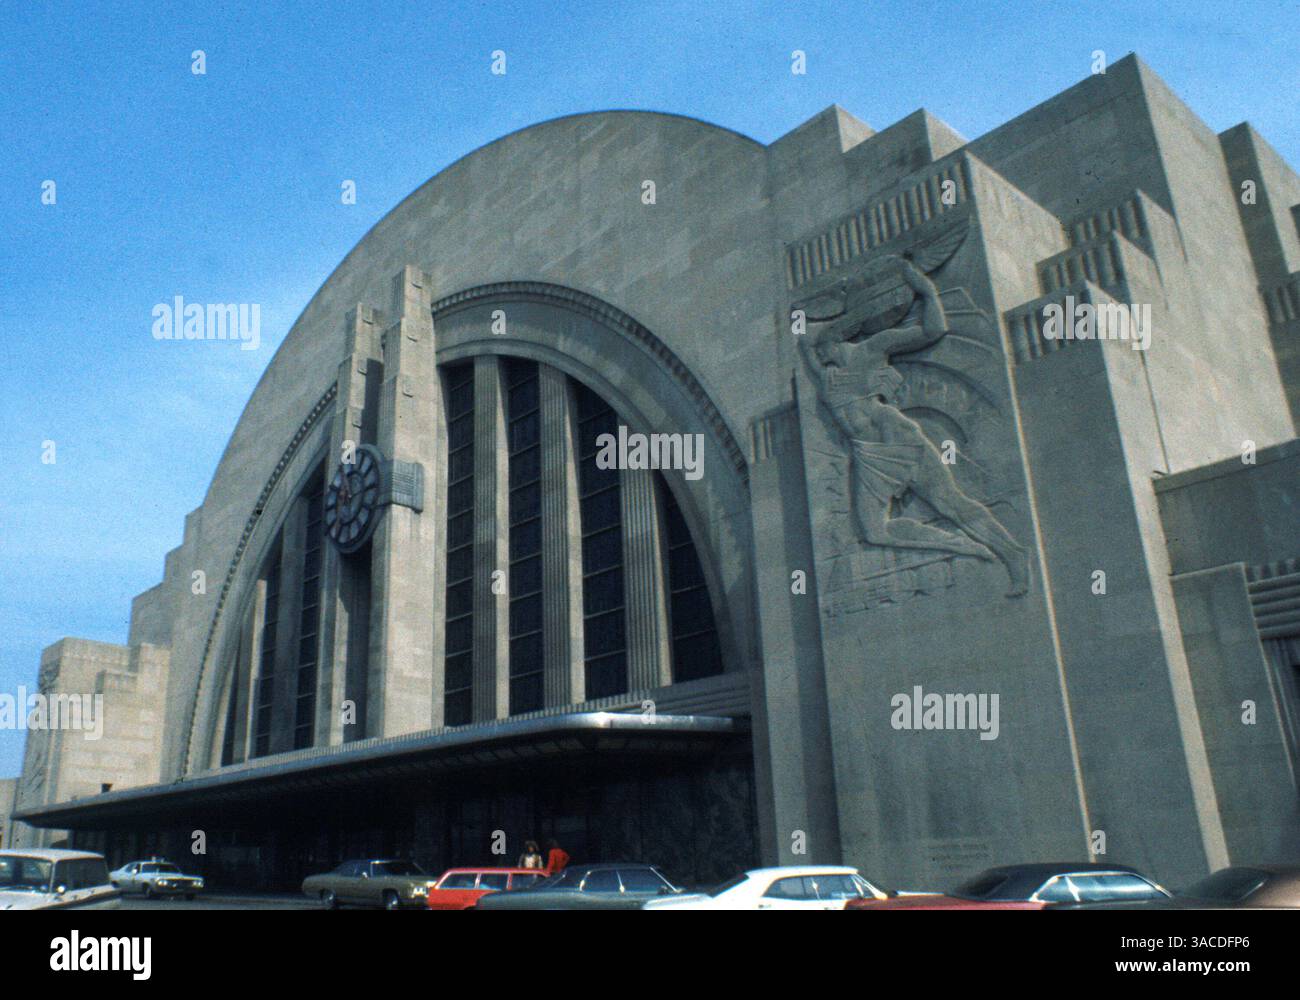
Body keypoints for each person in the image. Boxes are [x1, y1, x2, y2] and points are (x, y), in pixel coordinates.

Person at [799, 255, 1028, 597]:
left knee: (950, 501)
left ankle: (1013, 555)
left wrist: (924, 288)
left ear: (840, 339)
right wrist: (832, 310)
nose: (823, 349)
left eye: (828, 343)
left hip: (897, 437)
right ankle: (962, 546)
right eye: (822, 347)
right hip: (868, 455)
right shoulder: (824, 376)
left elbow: (933, 330)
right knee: (874, 530)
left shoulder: (871, 349)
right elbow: (803, 341)